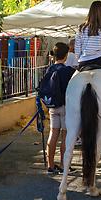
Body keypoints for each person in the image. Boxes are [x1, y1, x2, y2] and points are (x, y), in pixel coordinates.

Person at [43, 42, 76, 174]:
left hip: (52, 107)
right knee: (65, 136)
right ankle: (63, 165)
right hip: (65, 107)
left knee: (52, 134)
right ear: (66, 55)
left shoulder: (49, 69)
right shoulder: (68, 71)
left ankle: (50, 165)